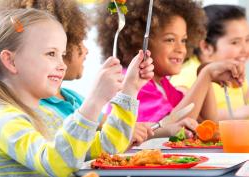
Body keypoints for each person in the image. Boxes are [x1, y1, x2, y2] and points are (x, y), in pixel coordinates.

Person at [0, 8, 154, 177]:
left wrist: (130, 88)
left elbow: (107, 147)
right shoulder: (6, 121)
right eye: (51, 53)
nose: (62, 65)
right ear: (10, 61)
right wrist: (93, 102)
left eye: (62, 54)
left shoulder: (50, 116)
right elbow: (55, 163)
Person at [96, 0, 245, 137]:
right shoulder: (134, 83)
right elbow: (173, 126)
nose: (181, 49)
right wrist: (206, 75)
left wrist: (204, 71)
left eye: (184, 40)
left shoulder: (164, 85)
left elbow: (209, 122)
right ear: (139, 43)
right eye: (170, 40)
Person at [171, 4, 249, 120]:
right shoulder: (186, 78)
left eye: (247, 40)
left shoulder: (233, 71)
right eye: (235, 42)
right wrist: (238, 113)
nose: (245, 49)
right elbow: (189, 117)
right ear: (206, 47)